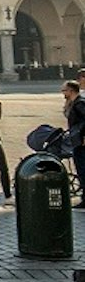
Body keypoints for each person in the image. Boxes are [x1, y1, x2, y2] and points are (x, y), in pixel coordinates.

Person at [62, 80, 85, 210]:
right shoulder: (74, 103)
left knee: (82, 169)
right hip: (77, 139)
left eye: (64, 90)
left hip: (81, 141)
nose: (63, 93)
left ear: (71, 91)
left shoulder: (80, 103)